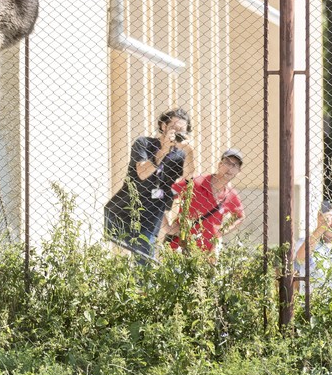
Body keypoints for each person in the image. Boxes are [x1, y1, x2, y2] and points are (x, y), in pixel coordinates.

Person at [104, 108, 195, 262]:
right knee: (116, 260)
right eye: (174, 129)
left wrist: (189, 151)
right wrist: (164, 150)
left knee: (145, 263)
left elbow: (188, 180)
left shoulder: (180, 155)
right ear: (163, 126)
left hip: (149, 220)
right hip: (122, 212)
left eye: (182, 131)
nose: (177, 134)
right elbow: (142, 173)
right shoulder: (144, 143)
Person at [162, 148, 246, 259]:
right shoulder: (196, 182)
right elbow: (161, 196)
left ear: (239, 172)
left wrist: (221, 232)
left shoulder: (231, 195)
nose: (230, 168)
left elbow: (240, 217)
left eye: (235, 165)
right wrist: (166, 227)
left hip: (206, 253)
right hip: (180, 247)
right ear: (219, 164)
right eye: (227, 163)